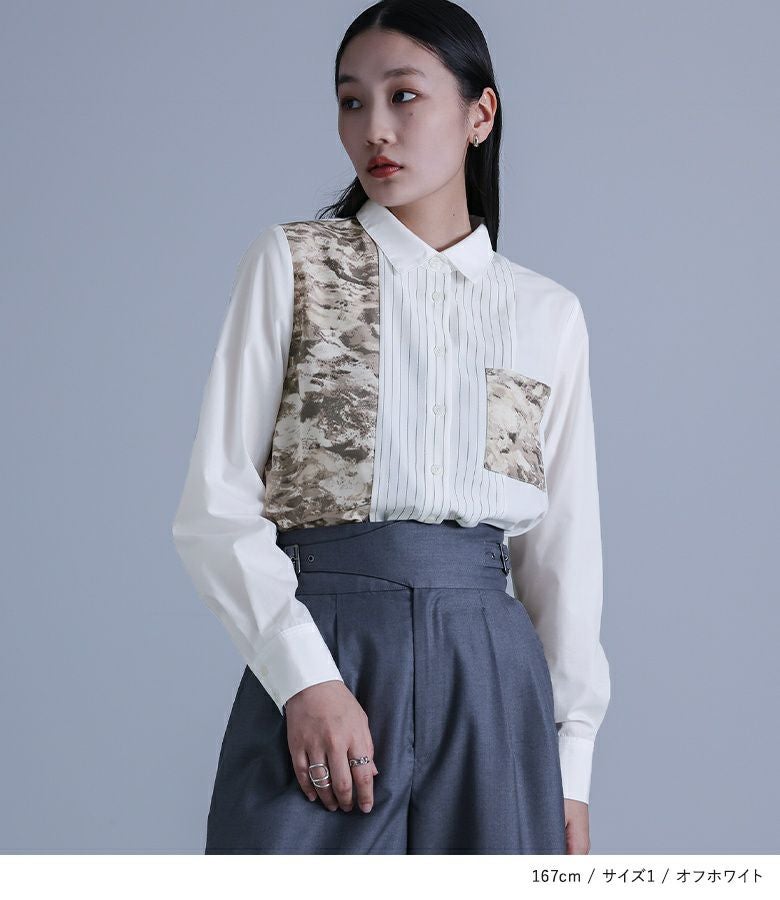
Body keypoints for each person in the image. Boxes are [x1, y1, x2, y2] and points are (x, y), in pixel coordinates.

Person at [171, 0, 610, 855]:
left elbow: (562, 555)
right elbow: (215, 507)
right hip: (330, 645)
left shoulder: (545, 312)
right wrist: (305, 679)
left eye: (403, 95)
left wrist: (572, 760)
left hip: (493, 677)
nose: (375, 127)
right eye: (351, 101)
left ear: (480, 114)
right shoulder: (293, 264)